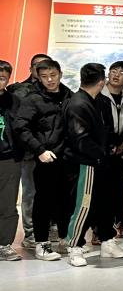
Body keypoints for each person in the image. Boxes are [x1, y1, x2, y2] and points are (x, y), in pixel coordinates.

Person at [59, 63, 123, 266]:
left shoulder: (94, 101)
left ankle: (107, 240)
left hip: (98, 162)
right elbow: (80, 139)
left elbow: (100, 132)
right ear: (101, 81)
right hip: (85, 163)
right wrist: (103, 153)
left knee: (105, 203)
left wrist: (110, 147)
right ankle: (74, 246)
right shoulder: (78, 103)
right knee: (84, 205)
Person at [12, 58, 74, 261]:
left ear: (60, 74)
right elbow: (20, 127)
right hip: (45, 158)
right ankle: (41, 243)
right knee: (43, 202)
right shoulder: (32, 99)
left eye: (53, 75)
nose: (50, 80)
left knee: (66, 201)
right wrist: (39, 150)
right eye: (44, 76)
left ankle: (65, 238)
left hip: (67, 158)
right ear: (38, 77)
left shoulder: (69, 96)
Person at [9, 53, 51, 244]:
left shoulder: (55, 90)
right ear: (31, 68)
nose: (40, 68)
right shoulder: (18, 90)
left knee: (49, 191)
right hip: (28, 151)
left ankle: (48, 228)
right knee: (30, 192)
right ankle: (30, 231)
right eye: (37, 65)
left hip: (51, 149)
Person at [101, 61, 123, 236]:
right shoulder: (100, 94)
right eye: (113, 71)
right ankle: (101, 226)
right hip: (102, 150)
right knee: (103, 189)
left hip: (122, 149)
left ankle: (120, 220)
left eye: (121, 72)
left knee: (120, 187)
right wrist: (109, 145)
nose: (116, 74)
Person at [0, 60, 22, 261]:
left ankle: (4, 244)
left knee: (7, 204)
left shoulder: (14, 101)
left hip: (9, 159)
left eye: (2, 78)